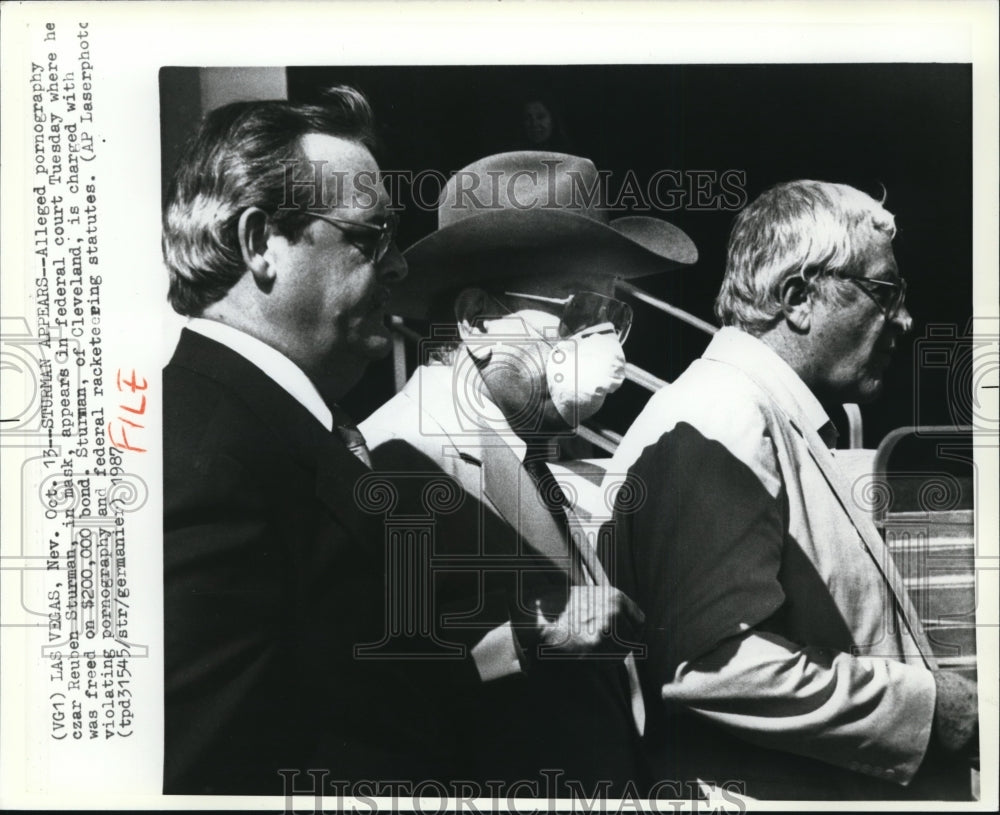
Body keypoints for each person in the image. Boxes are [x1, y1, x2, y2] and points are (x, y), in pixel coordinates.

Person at [602, 180, 978, 800]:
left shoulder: (757, 410)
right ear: (799, 298)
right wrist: (934, 711)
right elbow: (716, 668)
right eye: (885, 292)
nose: (904, 319)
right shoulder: (726, 417)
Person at [361, 150, 699, 794]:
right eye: (575, 314)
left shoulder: (523, 444)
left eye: (613, 315)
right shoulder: (396, 462)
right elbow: (381, 699)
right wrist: (531, 638)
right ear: (478, 322)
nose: (606, 345)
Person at [160, 89, 433, 794]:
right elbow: (202, 768)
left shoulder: (261, 423)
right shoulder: (216, 454)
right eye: (371, 237)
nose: (398, 265)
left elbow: (330, 686)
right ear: (261, 245)